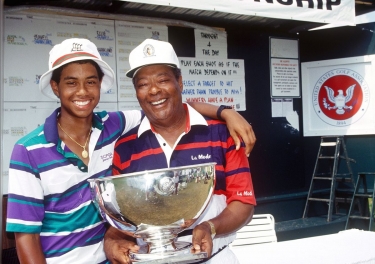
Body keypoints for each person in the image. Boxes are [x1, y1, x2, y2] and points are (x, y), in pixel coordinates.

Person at [5, 38, 256, 264]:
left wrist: (225, 111)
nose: (82, 91)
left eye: (90, 82)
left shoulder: (114, 127)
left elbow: (173, 105)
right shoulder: (30, 150)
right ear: (56, 87)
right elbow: (26, 238)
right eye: (71, 83)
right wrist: (113, 240)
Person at [106, 39, 256, 264]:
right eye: (143, 84)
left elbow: (243, 202)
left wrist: (211, 227)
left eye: (163, 80)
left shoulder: (222, 133)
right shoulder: (125, 147)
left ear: (180, 82)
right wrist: (112, 240)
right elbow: (124, 217)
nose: (154, 90)